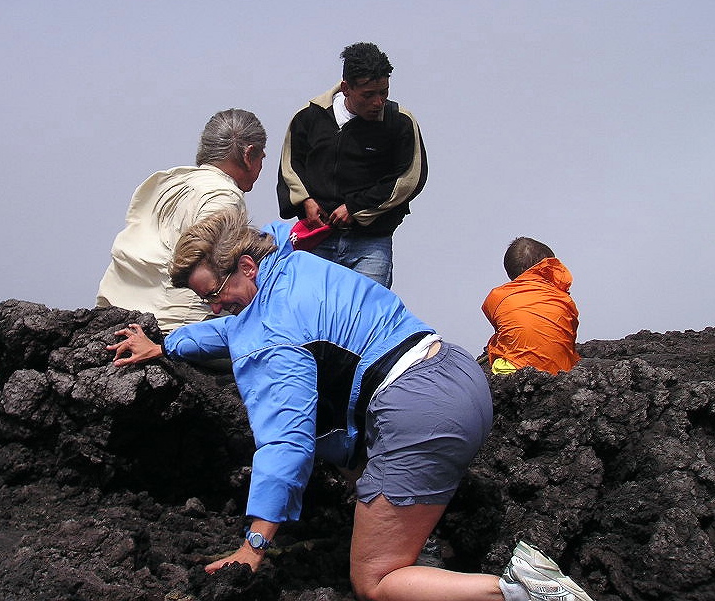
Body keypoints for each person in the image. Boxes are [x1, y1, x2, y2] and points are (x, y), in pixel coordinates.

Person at [106, 209, 594, 601]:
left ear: (246, 266)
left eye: (213, 293)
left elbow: (286, 440)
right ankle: (419, 552)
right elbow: (231, 329)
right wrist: (166, 343)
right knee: (347, 449)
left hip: (416, 412)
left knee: (374, 582)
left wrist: (253, 545)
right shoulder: (289, 262)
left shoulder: (272, 331)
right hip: (456, 375)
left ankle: (524, 591)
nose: (212, 306)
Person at [96, 108, 267, 333]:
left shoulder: (171, 182)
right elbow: (215, 270)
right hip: (172, 322)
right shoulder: (224, 196)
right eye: (262, 157)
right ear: (248, 155)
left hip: (115, 308)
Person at [276, 41, 427, 288]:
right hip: (317, 239)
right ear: (346, 88)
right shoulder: (309, 117)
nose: (378, 102)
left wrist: (355, 208)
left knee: (365, 318)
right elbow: (290, 166)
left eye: (384, 92)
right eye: (368, 95)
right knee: (314, 315)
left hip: (371, 244)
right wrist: (306, 201)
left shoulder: (398, 122)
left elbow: (410, 178)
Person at [482, 237, 581, 375]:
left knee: (496, 341)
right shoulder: (564, 299)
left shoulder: (496, 297)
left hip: (515, 371)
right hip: (560, 371)